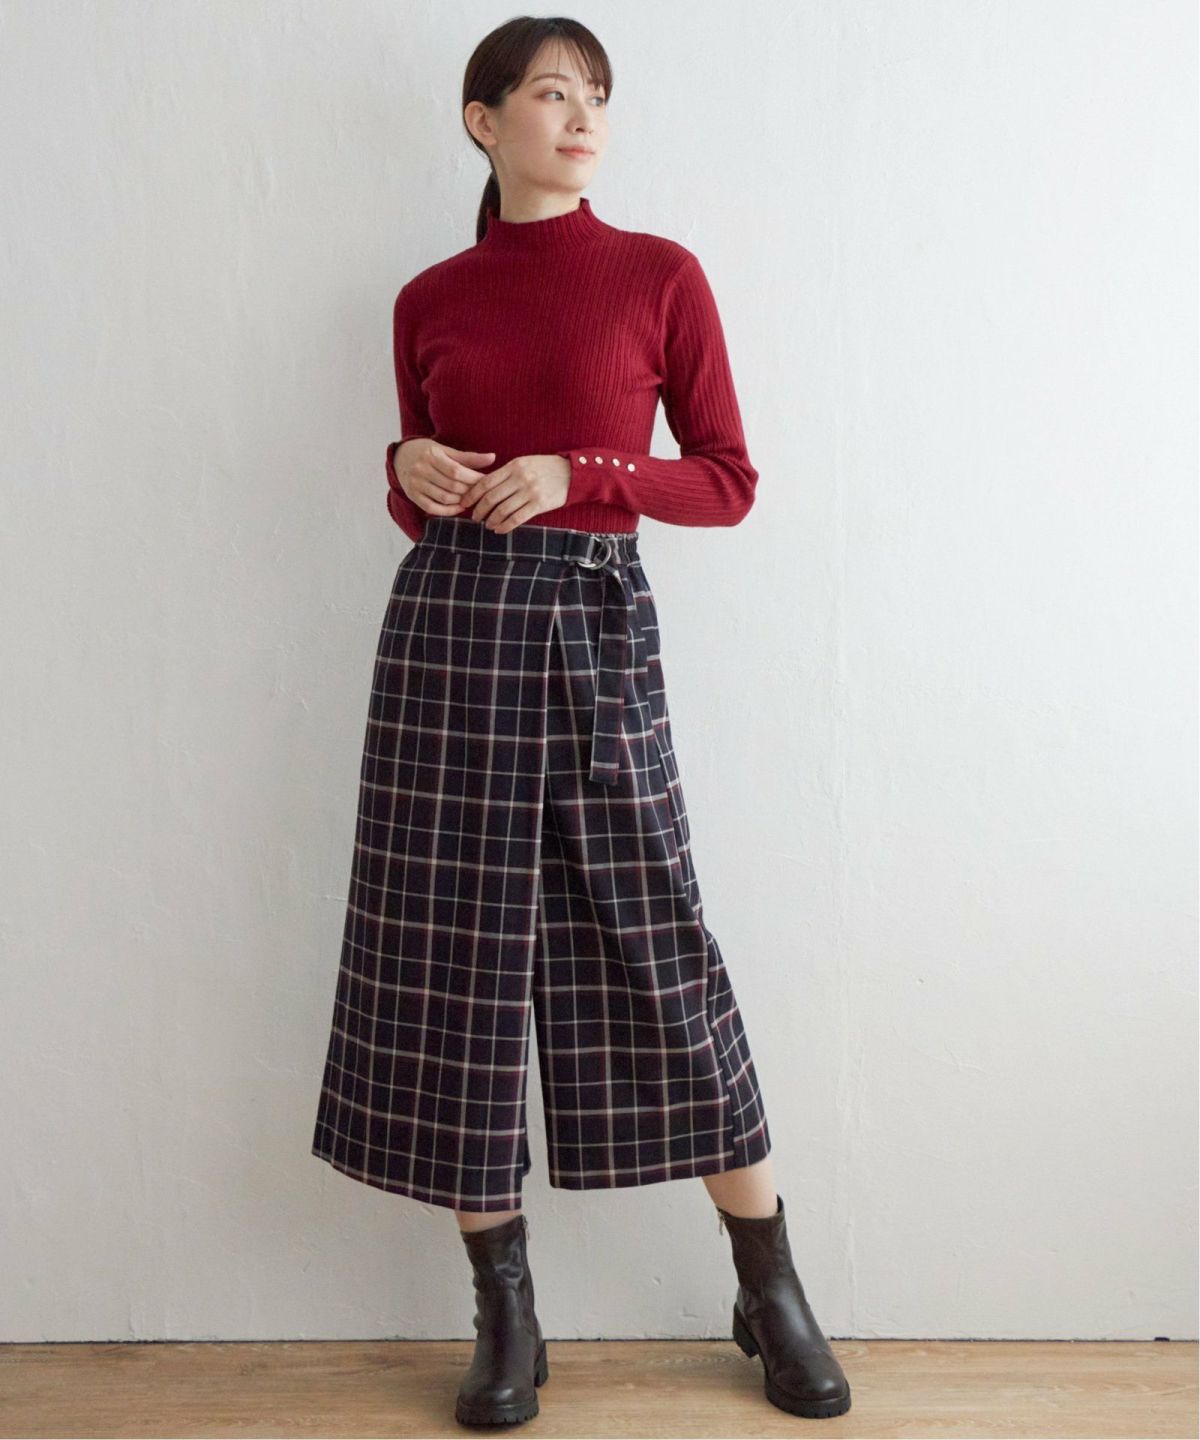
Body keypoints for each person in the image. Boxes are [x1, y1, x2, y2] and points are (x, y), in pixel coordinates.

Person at [310, 15, 851, 1427]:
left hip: (597, 624)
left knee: (655, 937)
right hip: (450, 630)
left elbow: (726, 480)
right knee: (453, 958)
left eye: (597, 94)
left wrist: (582, 471)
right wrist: (404, 466)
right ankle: (506, 1313)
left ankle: (769, 1285)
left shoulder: (659, 274)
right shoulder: (428, 297)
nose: (583, 115)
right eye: (553, 92)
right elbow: (418, 491)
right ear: (483, 121)